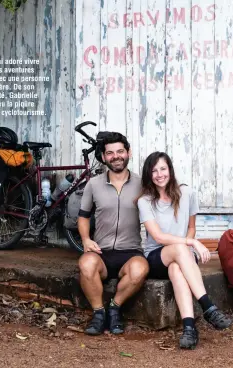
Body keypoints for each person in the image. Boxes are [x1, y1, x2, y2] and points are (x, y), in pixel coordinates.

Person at [137, 152, 233, 349]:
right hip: (157, 256)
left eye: (163, 169)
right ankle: (208, 306)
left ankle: (189, 328)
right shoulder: (145, 201)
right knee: (179, 251)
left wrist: (189, 241)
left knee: (176, 270)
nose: (159, 174)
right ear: (149, 175)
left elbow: (191, 227)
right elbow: (159, 237)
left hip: (182, 258)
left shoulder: (187, 193)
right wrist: (193, 243)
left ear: (170, 170)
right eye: (154, 171)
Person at [78, 132, 149, 336]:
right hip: (101, 251)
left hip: (131, 251)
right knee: (85, 264)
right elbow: (83, 216)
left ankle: (114, 308)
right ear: (103, 156)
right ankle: (99, 313)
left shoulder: (142, 183)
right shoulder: (94, 184)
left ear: (129, 153)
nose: (116, 156)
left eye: (120, 151)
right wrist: (85, 240)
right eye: (110, 153)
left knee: (139, 270)